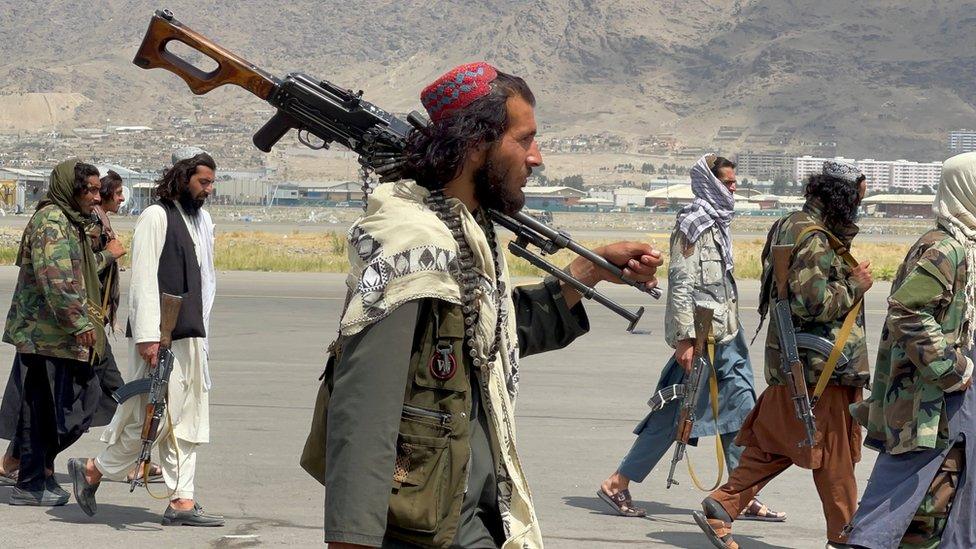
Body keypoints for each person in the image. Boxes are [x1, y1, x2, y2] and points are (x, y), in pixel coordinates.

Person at [299, 62, 663, 548]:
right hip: (421, 528)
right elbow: (364, 411)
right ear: (476, 144)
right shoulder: (412, 244)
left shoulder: (470, 235)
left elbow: (491, 335)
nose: (536, 158)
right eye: (524, 139)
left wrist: (590, 270)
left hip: (474, 512)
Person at [693, 160, 873, 548]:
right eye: (855, 197)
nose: (858, 205)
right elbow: (813, 304)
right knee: (835, 457)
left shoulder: (792, 226)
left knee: (774, 444)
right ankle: (846, 538)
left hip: (798, 368)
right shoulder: (814, 238)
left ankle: (723, 505)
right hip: (818, 372)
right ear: (839, 197)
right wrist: (856, 285)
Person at [598, 155, 783, 522]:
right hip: (700, 338)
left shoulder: (719, 223)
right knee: (673, 416)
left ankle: (739, 494)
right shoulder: (693, 225)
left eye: (734, 182)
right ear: (710, 184)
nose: (733, 188)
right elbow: (681, 285)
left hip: (728, 335)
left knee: (741, 413)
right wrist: (684, 339)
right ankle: (617, 483)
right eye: (727, 183)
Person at [68, 148, 223, 527]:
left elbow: (206, 281)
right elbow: (143, 279)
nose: (208, 190)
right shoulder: (157, 216)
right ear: (184, 178)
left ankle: (105, 475)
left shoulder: (201, 221)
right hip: (160, 338)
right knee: (151, 418)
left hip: (190, 336)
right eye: (203, 182)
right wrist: (150, 337)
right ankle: (106, 474)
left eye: (211, 184)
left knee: (179, 417)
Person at [844, 152, 976, 548]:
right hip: (935, 397)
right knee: (922, 500)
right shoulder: (945, 249)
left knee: (946, 492)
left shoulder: (963, 244)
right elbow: (907, 311)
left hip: (951, 396)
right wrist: (954, 369)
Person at [0, 159, 123, 505]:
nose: (98, 198)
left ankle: (39, 474)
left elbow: (77, 271)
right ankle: (30, 482)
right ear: (73, 188)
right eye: (93, 190)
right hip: (45, 337)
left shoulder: (70, 221)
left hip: (58, 337)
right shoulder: (52, 220)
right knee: (43, 410)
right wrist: (79, 323)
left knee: (59, 410)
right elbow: (56, 279)